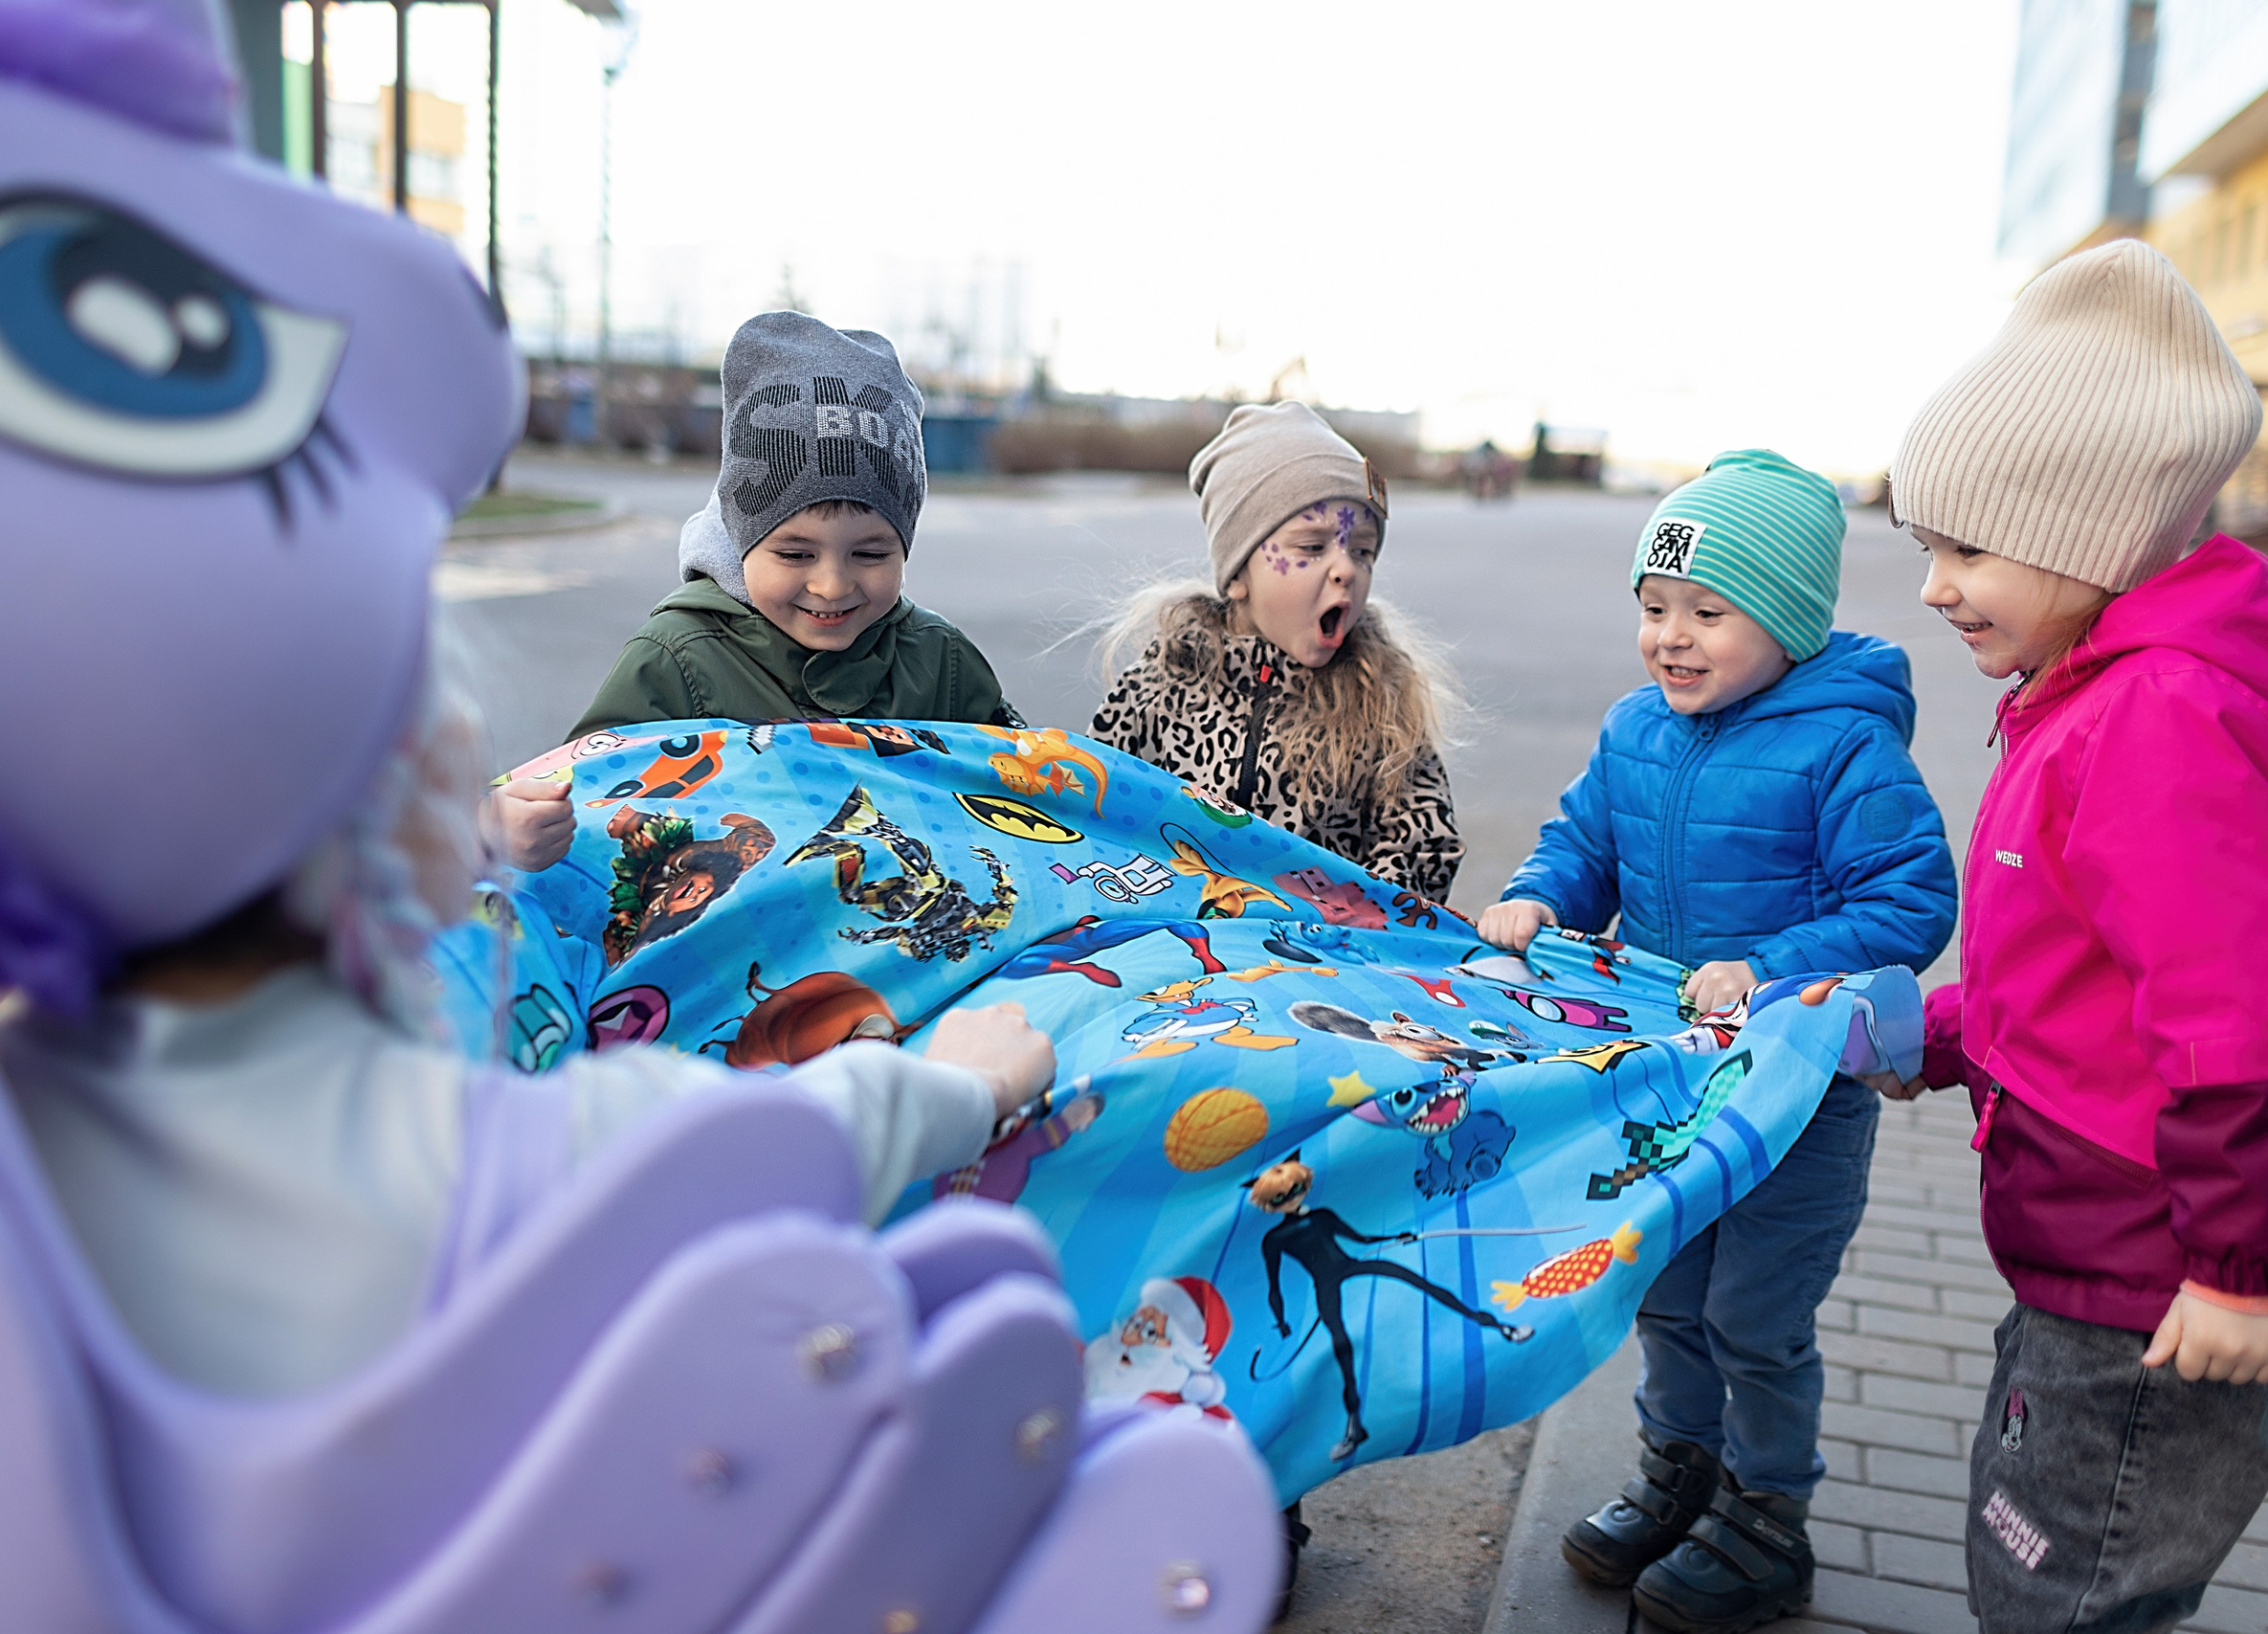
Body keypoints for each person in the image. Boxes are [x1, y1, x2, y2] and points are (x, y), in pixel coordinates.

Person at [0, 655, 1056, 1399]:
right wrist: (964, 1084)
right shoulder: (462, 1148)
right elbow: (760, 1146)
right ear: (391, 846)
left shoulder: (48, 1120)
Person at [1877, 238, 2268, 1634]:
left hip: (2169, 1277)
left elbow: (2241, 1025)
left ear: (2090, 534)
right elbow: (2086, 976)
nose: (1933, 586)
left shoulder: (2161, 717)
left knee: (2074, 1584)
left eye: (1966, 548)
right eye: (1929, 547)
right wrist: (1938, 1032)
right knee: (2034, 1541)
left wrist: (2239, 1270)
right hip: (2104, 1252)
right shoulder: (2084, 692)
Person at [1477, 449, 1957, 1634]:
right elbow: (1583, 841)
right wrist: (1539, 897)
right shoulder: (1636, 729)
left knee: (1755, 1314)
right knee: (1670, 1295)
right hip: (1671, 1082)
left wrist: (1777, 964)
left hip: (1795, 1096)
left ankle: (1764, 1515)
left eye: (1707, 612)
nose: (1670, 638)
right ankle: (1677, 1472)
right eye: (1653, 609)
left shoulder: (1846, 746)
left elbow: (1911, 901)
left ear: (1787, 621)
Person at [493, 313, 1024, 873]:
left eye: (870, 554)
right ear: (741, 539)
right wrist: (503, 829)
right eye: (795, 555)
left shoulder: (944, 662)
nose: (832, 585)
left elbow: (1028, 793)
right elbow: (583, 799)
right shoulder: (677, 659)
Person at [1089, 401, 1466, 902]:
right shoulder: (1156, 688)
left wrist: (1351, 916)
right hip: (1177, 951)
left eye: (1362, 551)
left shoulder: (1380, 702)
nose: (1346, 570)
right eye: (1312, 548)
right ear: (1239, 575)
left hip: (1318, 959)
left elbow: (1424, 842)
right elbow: (1093, 808)